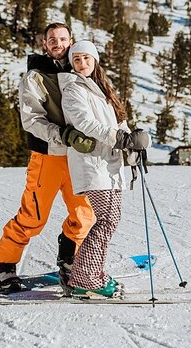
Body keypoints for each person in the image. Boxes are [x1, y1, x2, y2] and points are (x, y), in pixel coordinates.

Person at [0, 22, 98, 294]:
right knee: (33, 216)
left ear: (70, 40)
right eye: (52, 39)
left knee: (85, 214)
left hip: (78, 157)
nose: (58, 43)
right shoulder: (35, 77)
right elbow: (32, 119)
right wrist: (63, 134)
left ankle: (70, 258)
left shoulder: (82, 70)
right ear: (44, 44)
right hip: (48, 155)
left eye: (62, 38)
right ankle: (3, 264)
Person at [58, 40, 150, 298]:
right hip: (92, 163)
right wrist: (118, 138)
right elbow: (85, 123)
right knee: (107, 220)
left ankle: (91, 273)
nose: (82, 63)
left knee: (110, 219)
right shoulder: (73, 88)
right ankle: (85, 277)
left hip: (110, 163)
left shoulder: (102, 89)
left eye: (86, 58)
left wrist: (133, 142)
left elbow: (119, 122)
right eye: (77, 60)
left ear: (95, 60)